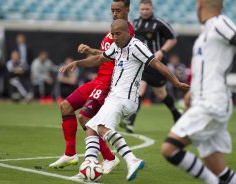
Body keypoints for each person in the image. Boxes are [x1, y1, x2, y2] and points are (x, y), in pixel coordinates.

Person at [59, 19, 189, 181]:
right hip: (115, 97)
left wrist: (175, 82)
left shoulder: (136, 46)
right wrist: (79, 62)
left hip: (125, 98)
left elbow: (157, 64)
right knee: (90, 126)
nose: (115, 37)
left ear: (128, 32)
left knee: (102, 128)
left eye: (118, 34)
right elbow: (99, 59)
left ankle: (131, 159)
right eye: (112, 34)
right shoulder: (116, 46)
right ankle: (89, 166)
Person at [161, 0, 236, 183]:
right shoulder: (204, 33)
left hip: (212, 102)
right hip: (204, 100)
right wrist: (192, 93)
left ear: (200, 5)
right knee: (219, 170)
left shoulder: (219, 22)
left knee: (169, 149)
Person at [49, 0, 134, 175]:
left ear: (127, 10)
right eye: (112, 10)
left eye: (118, 10)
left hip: (107, 83)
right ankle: (70, 154)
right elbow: (107, 54)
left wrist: (84, 58)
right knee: (65, 106)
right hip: (98, 80)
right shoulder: (114, 29)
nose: (114, 13)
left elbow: (114, 56)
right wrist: (90, 50)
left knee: (85, 118)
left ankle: (109, 157)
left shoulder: (127, 32)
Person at [122, 0, 180, 133]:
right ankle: (130, 122)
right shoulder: (136, 22)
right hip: (142, 63)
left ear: (152, 9)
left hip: (157, 64)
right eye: (142, 9)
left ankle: (176, 114)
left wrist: (162, 51)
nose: (144, 12)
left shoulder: (159, 23)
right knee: (140, 89)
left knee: (161, 94)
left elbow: (173, 38)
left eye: (147, 9)